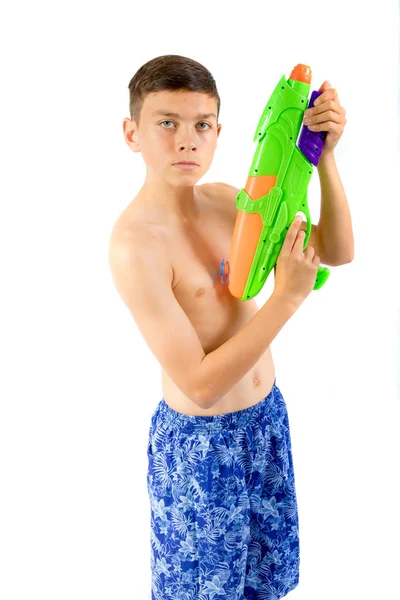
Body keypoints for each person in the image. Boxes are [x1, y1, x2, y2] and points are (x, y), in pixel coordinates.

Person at [108, 54, 354, 599]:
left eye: (201, 125)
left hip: (265, 423)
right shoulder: (135, 246)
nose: (186, 140)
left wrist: (327, 160)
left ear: (219, 133)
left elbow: (336, 250)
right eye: (166, 123)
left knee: (266, 585)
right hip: (202, 450)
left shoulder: (228, 203)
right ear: (133, 133)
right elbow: (200, 383)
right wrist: (286, 301)